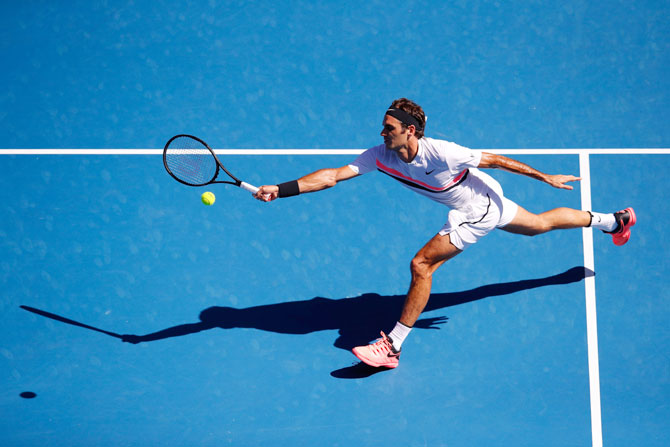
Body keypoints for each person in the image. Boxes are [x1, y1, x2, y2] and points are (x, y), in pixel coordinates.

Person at [253, 98, 636, 369]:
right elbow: (332, 176)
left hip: (477, 209)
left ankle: (392, 347)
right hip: (482, 198)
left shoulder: (443, 153)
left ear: (411, 131)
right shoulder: (379, 155)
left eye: (389, 128)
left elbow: (496, 159)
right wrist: (281, 188)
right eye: (383, 127)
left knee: (421, 265)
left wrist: (545, 176)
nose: (381, 133)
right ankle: (613, 221)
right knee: (538, 225)